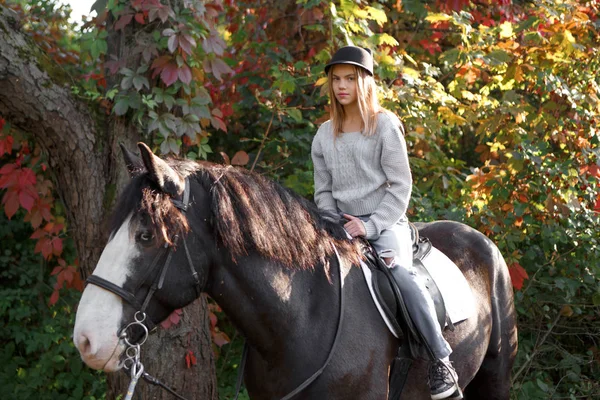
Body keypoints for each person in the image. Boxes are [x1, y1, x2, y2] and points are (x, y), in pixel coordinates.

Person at [311, 45, 462, 400]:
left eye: (349, 78)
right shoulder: (322, 135)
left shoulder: (384, 125)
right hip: (338, 226)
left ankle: (441, 362)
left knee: (398, 275)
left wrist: (371, 225)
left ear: (364, 82)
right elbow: (323, 192)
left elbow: (400, 186)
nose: (341, 86)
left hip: (385, 223)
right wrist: (336, 224)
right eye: (335, 79)